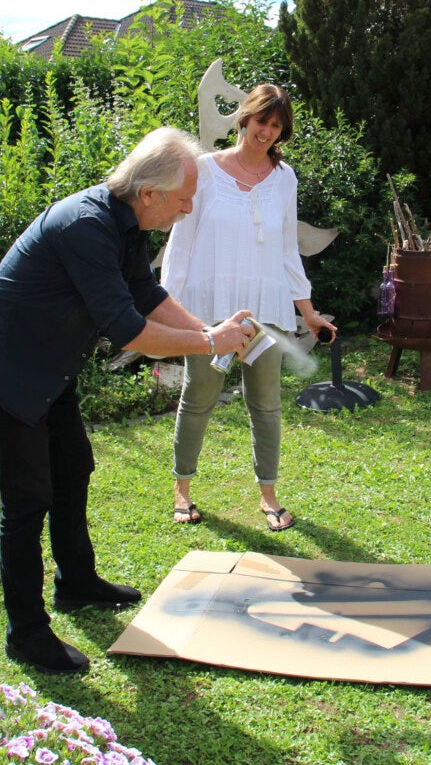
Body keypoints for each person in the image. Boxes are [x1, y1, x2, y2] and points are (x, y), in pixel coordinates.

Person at [0, 126, 256, 675]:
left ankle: (76, 583)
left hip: (50, 364)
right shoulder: (86, 226)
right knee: (27, 499)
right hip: (11, 365)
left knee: (74, 466)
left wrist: (207, 330)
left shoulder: (123, 223)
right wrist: (209, 341)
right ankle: (25, 633)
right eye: (183, 198)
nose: (188, 209)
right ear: (149, 193)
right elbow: (128, 329)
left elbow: (145, 295)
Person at [160, 84, 336, 531]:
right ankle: (182, 490)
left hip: (267, 311)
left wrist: (308, 311)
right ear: (245, 118)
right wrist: (166, 309)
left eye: (277, 126)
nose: (267, 132)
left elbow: (287, 250)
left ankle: (269, 496)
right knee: (198, 398)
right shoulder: (202, 170)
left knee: (266, 405)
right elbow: (181, 244)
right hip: (209, 311)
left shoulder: (285, 178)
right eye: (262, 121)